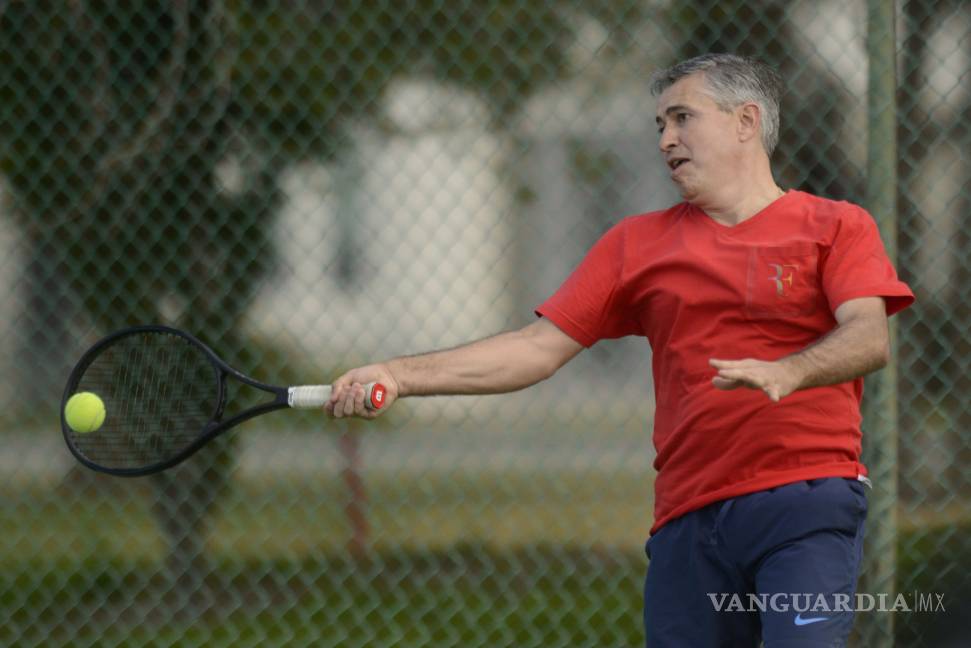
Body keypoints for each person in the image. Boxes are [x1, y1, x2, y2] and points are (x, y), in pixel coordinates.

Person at [325, 53, 914, 647]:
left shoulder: (836, 226)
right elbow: (535, 349)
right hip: (689, 520)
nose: (666, 140)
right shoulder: (636, 244)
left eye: (682, 118)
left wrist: (791, 370)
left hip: (806, 504)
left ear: (746, 121)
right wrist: (399, 375)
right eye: (660, 125)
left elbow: (868, 336)